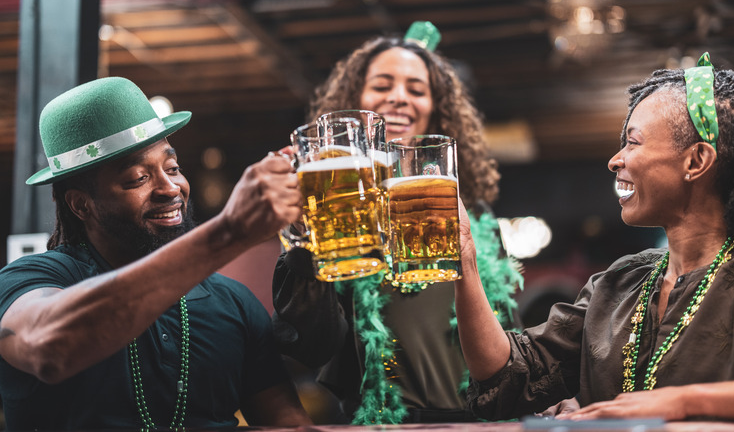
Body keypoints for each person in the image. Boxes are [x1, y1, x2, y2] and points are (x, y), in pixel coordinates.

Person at [455, 53, 734, 421]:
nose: (615, 160)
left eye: (633, 142)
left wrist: (680, 403)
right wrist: (465, 257)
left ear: (696, 161)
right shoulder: (620, 282)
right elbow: (507, 374)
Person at [0, 77, 312, 430]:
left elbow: (289, 424)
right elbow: (50, 348)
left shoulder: (233, 302)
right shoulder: (30, 280)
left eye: (173, 168)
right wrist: (229, 231)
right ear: (81, 205)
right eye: (138, 178)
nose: (170, 188)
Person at [272, 22, 523, 424]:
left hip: (482, 421)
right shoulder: (338, 210)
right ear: (355, 104)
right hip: (381, 423)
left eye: (417, 89)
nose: (399, 98)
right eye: (382, 85)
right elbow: (309, 343)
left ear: (436, 108)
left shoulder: (473, 216)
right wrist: (302, 243)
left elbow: (510, 334)